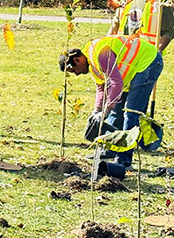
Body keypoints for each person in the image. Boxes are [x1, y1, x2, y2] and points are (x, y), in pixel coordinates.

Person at [59, 35, 163, 169]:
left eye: (73, 70)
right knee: (116, 111)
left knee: (131, 112)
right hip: (132, 70)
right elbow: (101, 87)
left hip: (148, 62)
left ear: (77, 60)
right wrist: (97, 111)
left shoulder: (100, 53)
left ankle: (124, 160)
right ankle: (111, 150)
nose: (77, 74)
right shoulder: (91, 61)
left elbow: (116, 83)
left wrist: (106, 110)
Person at [108, 0, 173, 53]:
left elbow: (168, 32)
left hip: (146, 54)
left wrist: (158, 51)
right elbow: (115, 24)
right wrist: (107, 45)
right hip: (123, 52)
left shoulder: (162, 2)